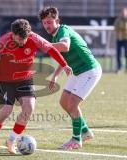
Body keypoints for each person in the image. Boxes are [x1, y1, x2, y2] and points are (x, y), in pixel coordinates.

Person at [0, 19, 72, 154]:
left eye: (24, 39)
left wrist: (64, 64)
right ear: (12, 34)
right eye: (19, 39)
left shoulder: (34, 38)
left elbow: (52, 49)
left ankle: (11, 140)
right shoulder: (3, 41)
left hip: (26, 79)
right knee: (6, 112)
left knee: (29, 108)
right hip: (5, 81)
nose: (22, 42)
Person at [38, 7, 102, 150]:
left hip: (89, 70)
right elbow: (63, 58)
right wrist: (55, 76)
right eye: (44, 23)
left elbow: (65, 47)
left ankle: (76, 140)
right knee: (64, 102)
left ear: (57, 21)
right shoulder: (55, 37)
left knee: (72, 104)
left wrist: (45, 45)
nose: (47, 25)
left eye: (49, 22)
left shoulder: (63, 30)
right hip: (77, 72)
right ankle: (85, 131)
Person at [114, 7, 127, 73]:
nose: (123, 13)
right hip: (119, 39)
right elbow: (115, 27)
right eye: (122, 12)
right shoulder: (118, 19)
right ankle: (119, 68)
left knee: (126, 54)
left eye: (124, 12)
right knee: (118, 55)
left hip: (126, 39)